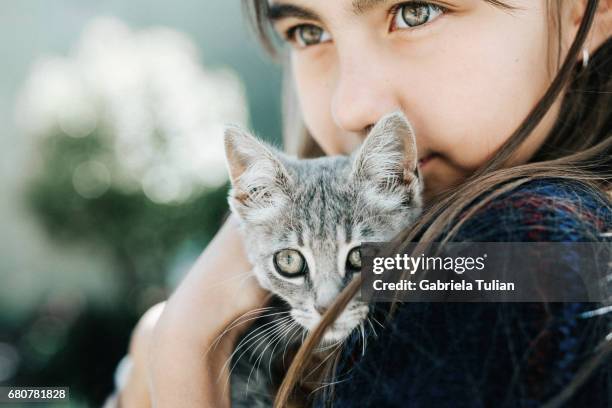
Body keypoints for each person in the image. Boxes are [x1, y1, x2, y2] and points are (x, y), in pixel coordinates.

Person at [111, 0, 612, 407]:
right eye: (308, 32)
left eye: (416, 11)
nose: (350, 108)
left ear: (588, 10)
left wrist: (181, 342)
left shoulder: (532, 243)